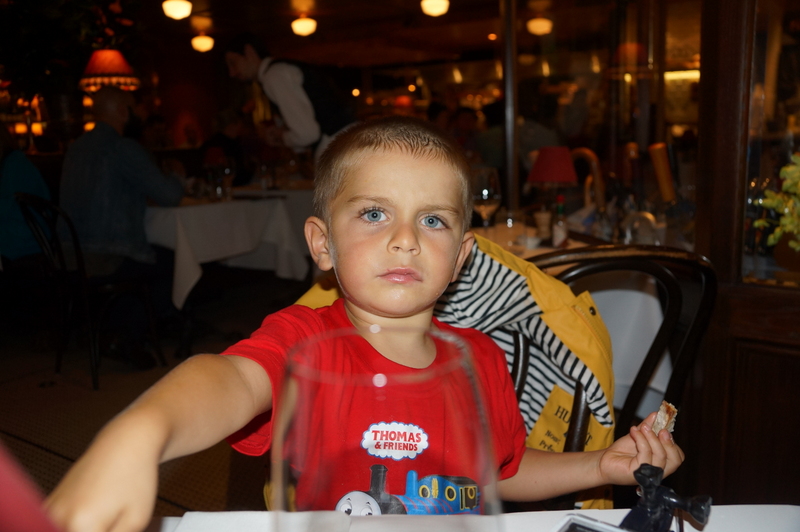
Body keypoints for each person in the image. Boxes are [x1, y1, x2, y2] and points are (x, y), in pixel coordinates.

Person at [45, 117, 683, 531]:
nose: (406, 239)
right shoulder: (303, 339)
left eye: (432, 220)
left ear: (462, 256)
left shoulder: (481, 357)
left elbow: (499, 472)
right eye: (375, 214)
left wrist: (599, 466)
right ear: (322, 245)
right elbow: (229, 379)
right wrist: (139, 435)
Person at [59, 86, 185, 368]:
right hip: (103, 257)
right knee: (172, 260)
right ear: (122, 111)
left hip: (67, 255)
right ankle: (126, 336)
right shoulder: (123, 148)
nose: (139, 114)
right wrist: (178, 174)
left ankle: (115, 328)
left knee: (148, 260)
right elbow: (169, 195)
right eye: (134, 108)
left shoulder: (76, 148)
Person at [224, 32, 356, 161]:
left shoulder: (274, 76)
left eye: (232, 63)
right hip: (346, 145)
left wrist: (280, 136)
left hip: (340, 151)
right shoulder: (279, 70)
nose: (231, 73)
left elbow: (307, 134)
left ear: (249, 52)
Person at [0, 125, 51, 267]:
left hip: (27, 247)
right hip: (27, 243)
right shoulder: (13, 164)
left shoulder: (15, 166)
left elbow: (16, 218)